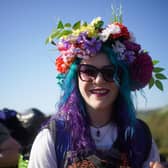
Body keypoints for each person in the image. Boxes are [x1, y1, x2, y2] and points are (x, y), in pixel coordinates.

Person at [28, 13, 166, 168]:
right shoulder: (52, 138)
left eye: (109, 73)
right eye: (88, 71)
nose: (99, 80)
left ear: (122, 79)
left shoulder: (141, 137)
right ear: (75, 78)